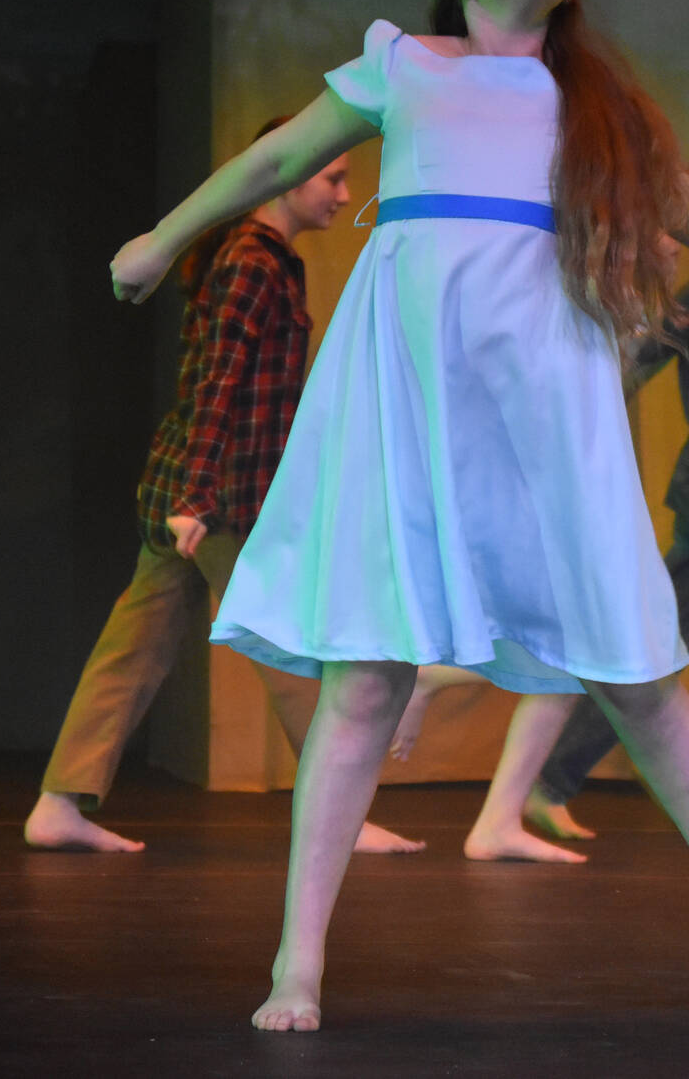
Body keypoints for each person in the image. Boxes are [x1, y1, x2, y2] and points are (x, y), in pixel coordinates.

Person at [109, 0, 689, 1029]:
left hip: (544, 379)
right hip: (412, 381)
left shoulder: (585, 99)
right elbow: (277, 159)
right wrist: (164, 234)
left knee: (632, 668)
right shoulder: (406, 65)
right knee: (365, 674)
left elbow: (685, 202)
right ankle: (299, 960)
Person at [430, 139, 689, 856]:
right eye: (671, 233)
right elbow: (627, 361)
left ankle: (526, 788)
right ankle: (431, 683)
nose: (680, 249)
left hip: (680, 490)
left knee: (611, 650)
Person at [26, 120, 420, 856]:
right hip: (220, 499)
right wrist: (196, 497)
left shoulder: (265, 260)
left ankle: (58, 800)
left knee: (134, 647)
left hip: (200, 492)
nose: (345, 193)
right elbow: (216, 383)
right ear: (287, 178)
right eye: (332, 177)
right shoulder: (253, 263)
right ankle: (341, 815)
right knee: (295, 649)